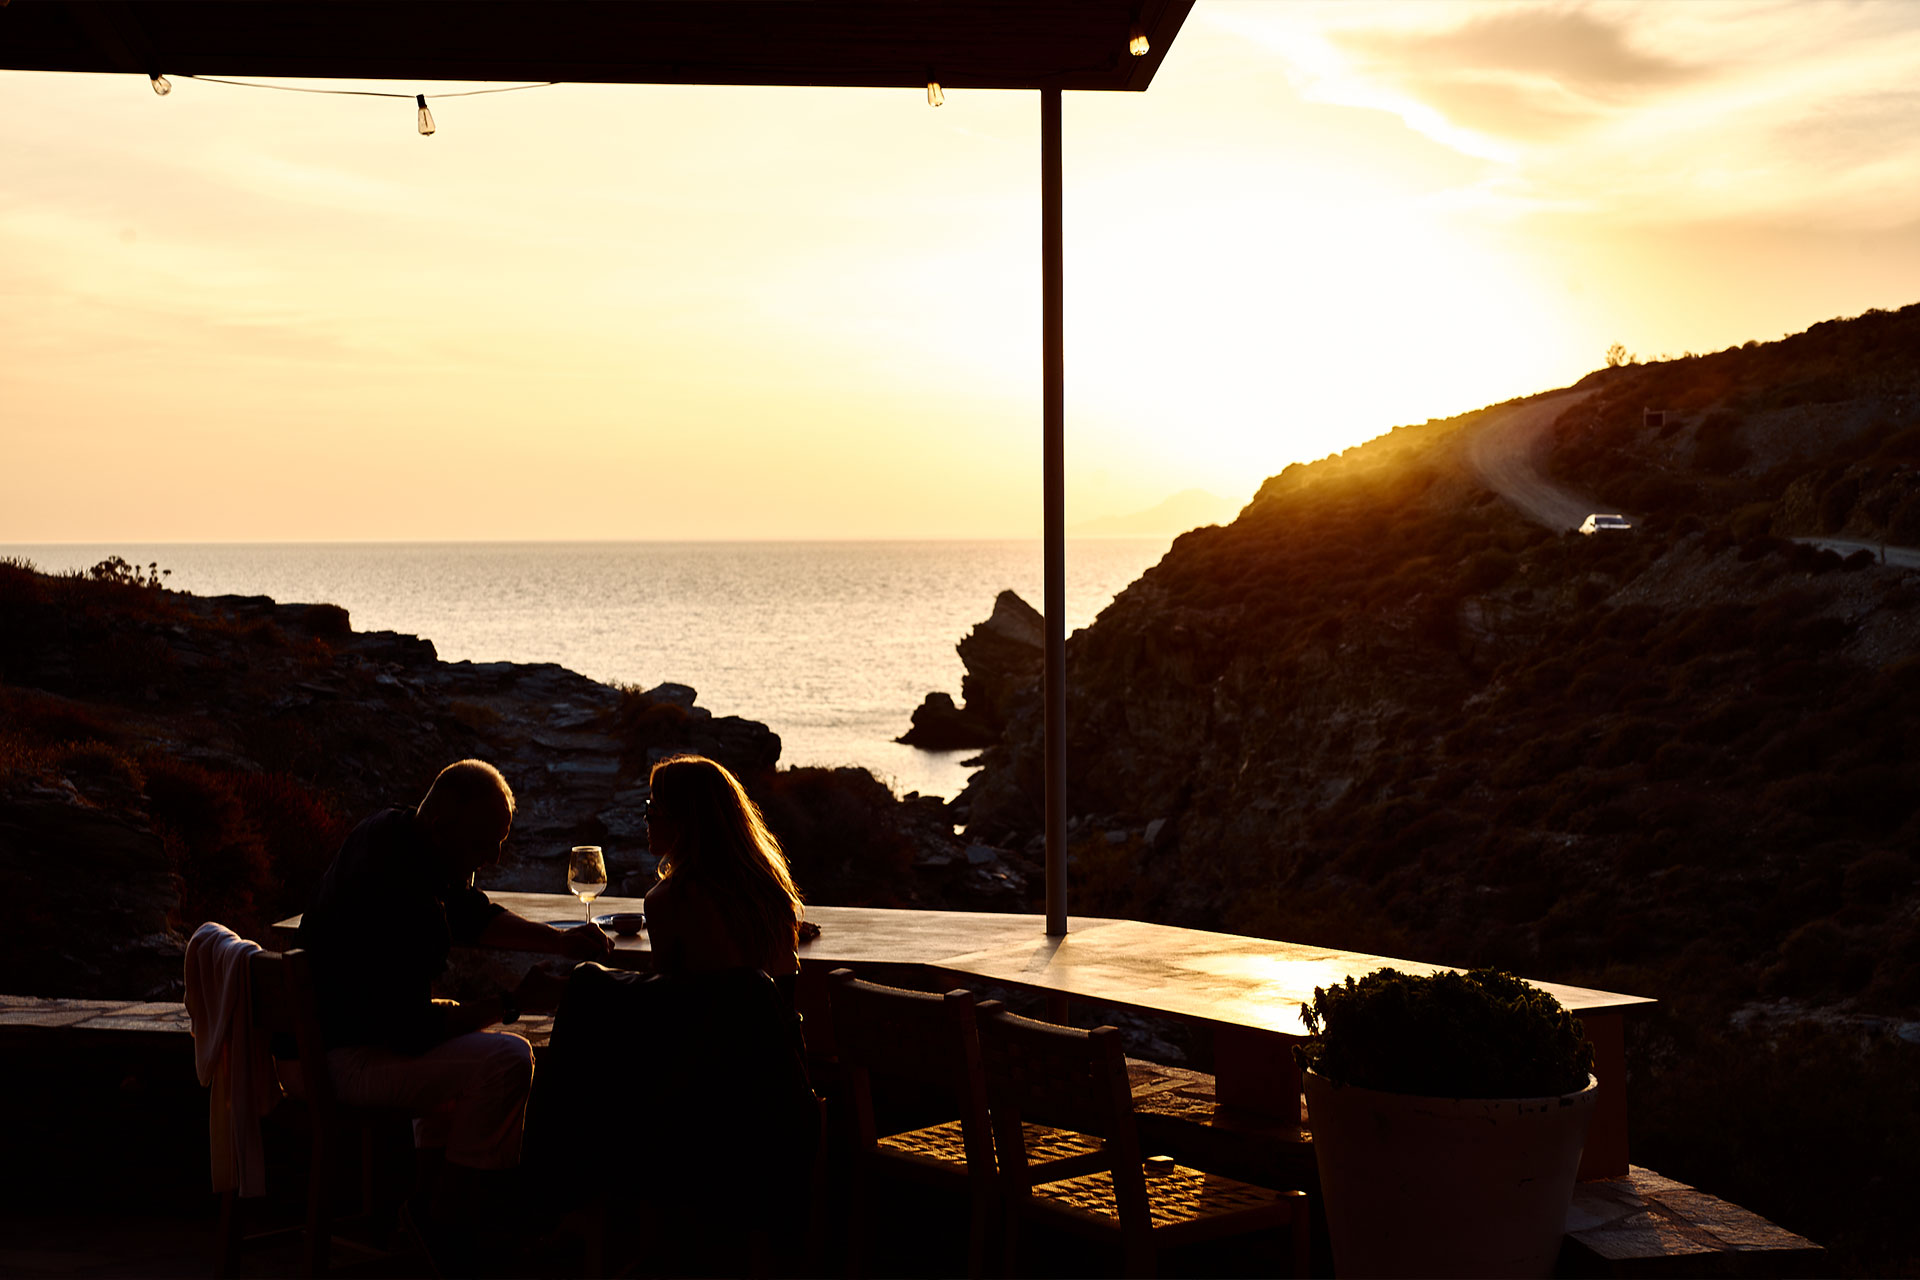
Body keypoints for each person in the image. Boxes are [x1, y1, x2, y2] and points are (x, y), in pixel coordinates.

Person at [298, 758, 612, 1254]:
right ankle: (449, 1221)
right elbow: (414, 1032)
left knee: (471, 1042)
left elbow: (472, 916)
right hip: (345, 1060)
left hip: (334, 1034)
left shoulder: (397, 835)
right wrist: (515, 1002)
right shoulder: (395, 895)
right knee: (507, 1060)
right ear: (443, 828)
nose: (491, 859)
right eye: (482, 845)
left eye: (500, 843)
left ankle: (427, 1208)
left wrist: (561, 944)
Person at [642, 754, 803, 982]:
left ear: (683, 820)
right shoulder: (771, 889)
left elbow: (666, 997)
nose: (646, 818)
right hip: (772, 1018)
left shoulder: (668, 899)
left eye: (653, 808)